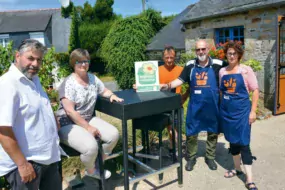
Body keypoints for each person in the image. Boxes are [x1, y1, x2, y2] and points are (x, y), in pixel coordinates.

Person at [0, 39, 62, 190]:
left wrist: (53, 120)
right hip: (27, 164)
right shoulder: (8, 84)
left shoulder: (33, 79)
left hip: (48, 158)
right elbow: (3, 129)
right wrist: (22, 164)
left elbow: (41, 104)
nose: (35, 64)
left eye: (39, 60)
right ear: (17, 56)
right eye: (30, 58)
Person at [161, 39, 227, 171]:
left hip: (212, 105)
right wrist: (167, 86)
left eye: (203, 49)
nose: (201, 52)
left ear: (208, 50)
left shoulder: (219, 64)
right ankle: (191, 158)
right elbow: (179, 81)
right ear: (195, 51)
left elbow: (232, 71)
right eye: (198, 49)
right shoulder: (190, 65)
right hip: (195, 105)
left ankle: (210, 157)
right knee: (191, 132)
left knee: (213, 132)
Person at [56, 48, 123, 180]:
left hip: (87, 118)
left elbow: (103, 90)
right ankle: (91, 171)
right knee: (91, 147)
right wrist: (88, 128)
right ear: (73, 63)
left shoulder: (92, 78)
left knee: (113, 135)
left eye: (86, 61)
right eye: (79, 62)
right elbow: (70, 111)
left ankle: (99, 163)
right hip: (67, 123)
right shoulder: (68, 83)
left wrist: (112, 95)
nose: (83, 64)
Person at [133, 46, 188, 153]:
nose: (169, 60)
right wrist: (139, 86)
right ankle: (173, 147)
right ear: (163, 58)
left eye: (171, 57)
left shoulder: (181, 70)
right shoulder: (156, 70)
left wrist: (184, 97)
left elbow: (190, 85)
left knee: (177, 127)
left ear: (175, 57)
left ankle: (176, 147)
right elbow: (148, 84)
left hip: (176, 104)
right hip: (161, 105)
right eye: (167, 57)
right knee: (168, 127)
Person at [220, 42, 259, 190]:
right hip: (227, 112)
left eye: (234, 53)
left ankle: (249, 179)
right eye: (229, 53)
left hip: (242, 113)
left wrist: (253, 111)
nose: (231, 56)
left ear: (239, 55)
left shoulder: (245, 70)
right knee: (233, 142)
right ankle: (237, 169)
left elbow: (255, 90)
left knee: (243, 143)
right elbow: (222, 91)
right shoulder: (222, 72)